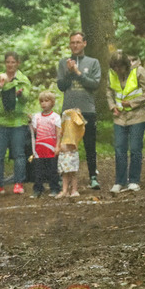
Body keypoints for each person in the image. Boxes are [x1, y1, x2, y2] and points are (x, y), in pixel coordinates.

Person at [57, 31, 102, 190]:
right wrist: (70, 73)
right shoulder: (63, 63)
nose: (75, 45)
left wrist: (77, 72)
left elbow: (94, 84)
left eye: (78, 42)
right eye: (72, 42)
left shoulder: (93, 62)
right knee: (67, 145)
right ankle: (64, 178)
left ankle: (93, 176)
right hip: (69, 110)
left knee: (90, 145)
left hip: (87, 109)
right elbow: (61, 86)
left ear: (84, 43)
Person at [107, 50, 145, 193]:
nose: (117, 70)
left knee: (135, 148)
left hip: (138, 116)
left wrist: (132, 103)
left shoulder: (139, 71)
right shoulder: (112, 73)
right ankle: (119, 182)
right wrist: (112, 106)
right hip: (120, 117)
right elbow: (109, 91)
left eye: (120, 67)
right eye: (114, 68)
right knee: (119, 149)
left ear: (126, 65)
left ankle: (134, 181)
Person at [0, 51, 32, 196]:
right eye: (8, 62)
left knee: (19, 154)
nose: (10, 65)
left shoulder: (23, 79)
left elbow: (26, 98)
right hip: (0, 123)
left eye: (13, 62)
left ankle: (19, 183)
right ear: (4, 63)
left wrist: (20, 94)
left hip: (18, 122)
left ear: (18, 63)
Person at [29, 91, 62, 198]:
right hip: (39, 148)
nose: (44, 103)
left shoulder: (56, 117)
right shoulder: (37, 116)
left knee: (52, 169)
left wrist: (58, 146)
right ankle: (38, 189)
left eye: (46, 101)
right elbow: (35, 131)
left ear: (52, 102)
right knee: (38, 170)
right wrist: (30, 121)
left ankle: (55, 188)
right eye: (41, 101)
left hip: (51, 148)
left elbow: (58, 133)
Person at [56, 108, 86, 198]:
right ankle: (64, 190)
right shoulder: (63, 127)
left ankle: (74, 190)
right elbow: (59, 134)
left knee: (72, 173)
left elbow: (80, 125)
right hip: (63, 153)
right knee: (64, 173)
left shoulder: (74, 129)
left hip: (71, 153)